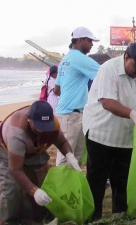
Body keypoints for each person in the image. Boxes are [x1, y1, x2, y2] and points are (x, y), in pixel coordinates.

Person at [82, 42, 136, 221]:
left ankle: (119, 216)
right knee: (97, 179)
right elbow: (107, 102)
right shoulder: (108, 69)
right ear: (126, 57)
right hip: (101, 132)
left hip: (127, 136)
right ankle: (93, 218)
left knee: (123, 178)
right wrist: (133, 113)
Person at [0, 101, 81, 224]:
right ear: (30, 121)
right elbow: (15, 169)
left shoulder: (53, 124)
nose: (43, 131)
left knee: (42, 179)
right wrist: (34, 191)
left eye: (47, 127)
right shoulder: (17, 134)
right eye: (40, 127)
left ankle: (34, 219)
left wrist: (69, 155)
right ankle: (8, 221)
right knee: (11, 187)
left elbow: (62, 142)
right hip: (2, 148)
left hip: (32, 147)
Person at [54, 26, 100, 166]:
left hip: (70, 113)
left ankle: (71, 186)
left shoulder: (65, 59)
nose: (92, 44)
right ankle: (60, 187)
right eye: (90, 41)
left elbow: (57, 89)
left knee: (76, 156)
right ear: (80, 40)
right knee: (65, 157)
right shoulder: (80, 59)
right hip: (71, 115)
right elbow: (106, 73)